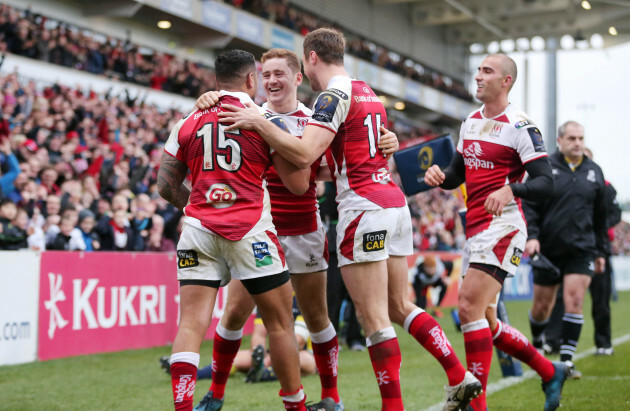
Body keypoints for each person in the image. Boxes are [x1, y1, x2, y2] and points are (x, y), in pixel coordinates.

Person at [217, 28, 481, 411]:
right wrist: (387, 141)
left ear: (309, 60)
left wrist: (259, 123)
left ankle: (394, 407)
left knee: (372, 316)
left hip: (363, 208)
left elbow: (307, 154)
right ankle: (459, 376)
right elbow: (339, 157)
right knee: (398, 306)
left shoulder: (332, 95)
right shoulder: (365, 90)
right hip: (394, 204)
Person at [157, 49, 334, 411]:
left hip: (198, 231)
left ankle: (184, 407)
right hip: (250, 232)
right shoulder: (262, 123)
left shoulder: (187, 121)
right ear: (252, 80)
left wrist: (199, 207)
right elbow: (300, 184)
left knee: (190, 325)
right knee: (281, 324)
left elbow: (165, 185)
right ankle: (297, 406)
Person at [424, 53, 568, 411]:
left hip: (504, 226)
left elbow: (546, 183)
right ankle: (550, 371)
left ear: (506, 81)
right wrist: (441, 176)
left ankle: (476, 406)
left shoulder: (521, 126)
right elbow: (459, 173)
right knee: (487, 321)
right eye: (478, 70)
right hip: (475, 228)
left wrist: (511, 189)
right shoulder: (470, 121)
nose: (478, 76)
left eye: (487, 71)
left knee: (468, 306)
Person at [524, 121, 610, 380]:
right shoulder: (544, 168)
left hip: (582, 250)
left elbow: (601, 218)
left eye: (581, 138)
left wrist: (601, 252)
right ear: (560, 141)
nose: (578, 143)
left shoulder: (595, 171)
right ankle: (537, 345)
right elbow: (529, 205)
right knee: (542, 307)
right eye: (572, 138)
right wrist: (533, 237)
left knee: (574, 302)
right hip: (548, 249)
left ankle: (566, 362)